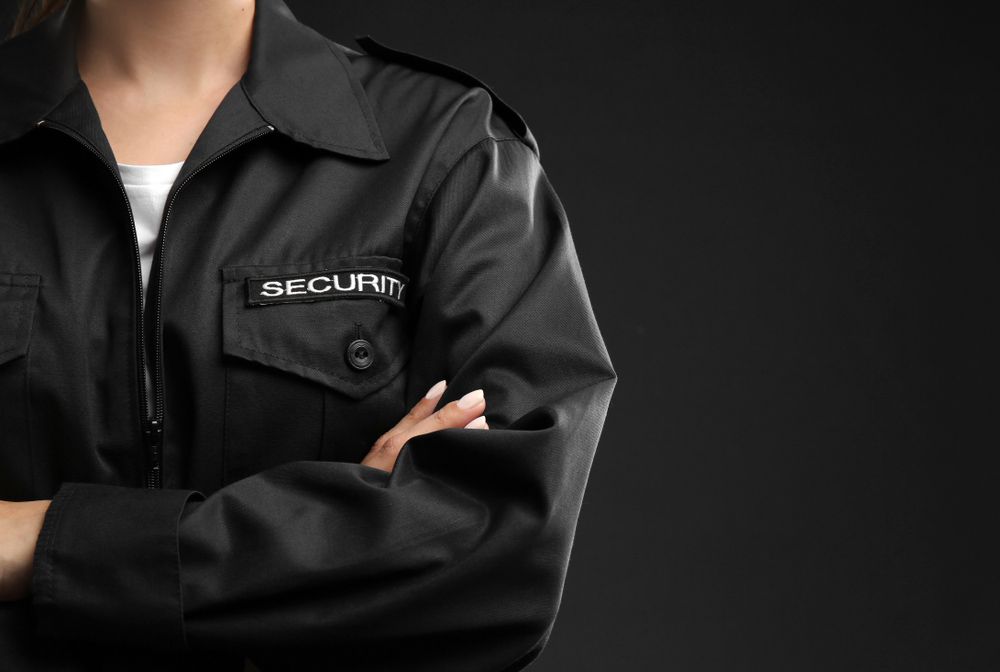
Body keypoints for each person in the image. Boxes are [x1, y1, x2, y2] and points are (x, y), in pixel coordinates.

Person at [0, 0, 617, 669]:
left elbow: (498, 560)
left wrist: (39, 544)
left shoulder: (445, 146)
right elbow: (421, 552)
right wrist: (351, 535)